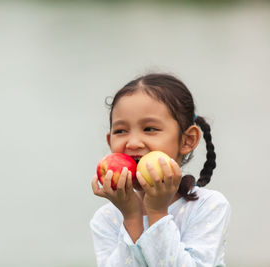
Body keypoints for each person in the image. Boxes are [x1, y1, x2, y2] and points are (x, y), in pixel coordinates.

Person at [90, 73, 231, 267]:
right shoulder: (107, 218)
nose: (133, 142)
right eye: (121, 131)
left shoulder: (208, 206)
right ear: (109, 141)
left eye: (149, 129)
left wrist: (157, 212)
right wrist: (131, 217)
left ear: (187, 140)